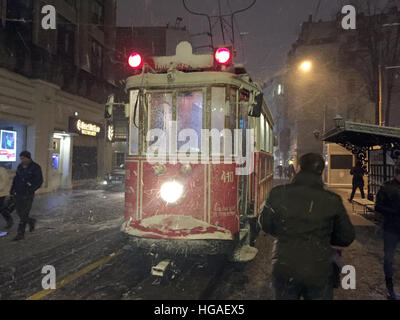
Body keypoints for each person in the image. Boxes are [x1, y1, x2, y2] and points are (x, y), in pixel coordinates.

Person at [259, 153, 355, 300]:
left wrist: (285, 232)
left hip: (286, 265)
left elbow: (265, 223)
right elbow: (346, 237)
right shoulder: (332, 200)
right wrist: (324, 236)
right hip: (319, 269)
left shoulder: (278, 193)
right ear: (321, 172)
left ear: (298, 169)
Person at [375, 160, 400, 300]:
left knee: (389, 258)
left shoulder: (387, 187)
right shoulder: (387, 187)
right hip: (391, 227)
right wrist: (393, 211)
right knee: (389, 258)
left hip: (391, 226)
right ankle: (390, 287)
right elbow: (378, 206)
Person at [9, 151, 43, 241]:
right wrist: (12, 190)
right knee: (20, 213)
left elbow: (39, 181)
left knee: (24, 214)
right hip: (18, 193)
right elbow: (16, 179)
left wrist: (30, 188)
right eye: (21, 158)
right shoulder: (20, 167)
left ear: (28, 158)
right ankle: (31, 221)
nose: (22, 160)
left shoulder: (35, 167)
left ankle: (20, 234)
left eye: (23, 158)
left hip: (28, 195)